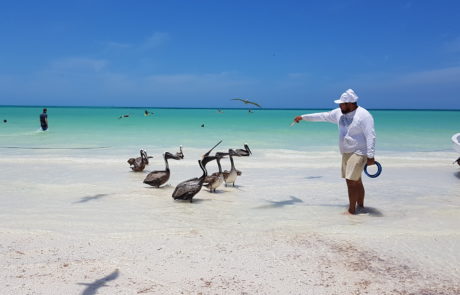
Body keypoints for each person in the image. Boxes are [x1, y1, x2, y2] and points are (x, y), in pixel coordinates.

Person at [293, 89, 376, 215]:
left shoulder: (364, 115)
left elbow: (371, 136)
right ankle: (361, 207)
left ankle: (351, 210)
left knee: (350, 181)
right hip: (346, 152)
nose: (339, 106)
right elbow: (323, 116)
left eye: (342, 104)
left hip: (359, 151)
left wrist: (370, 156)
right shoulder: (339, 113)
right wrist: (303, 117)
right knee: (357, 180)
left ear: (350, 103)